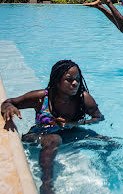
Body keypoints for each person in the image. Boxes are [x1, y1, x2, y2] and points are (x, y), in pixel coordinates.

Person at [1, 60, 105, 194]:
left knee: (110, 143)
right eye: (69, 80)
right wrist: (9, 108)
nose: (75, 83)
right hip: (40, 133)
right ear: (57, 81)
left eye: (78, 79)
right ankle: (46, 185)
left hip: (69, 132)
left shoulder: (82, 98)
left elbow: (99, 118)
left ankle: (103, 169)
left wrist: (72, 124)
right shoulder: (42, 97)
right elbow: (8, 102)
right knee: (54, 139)